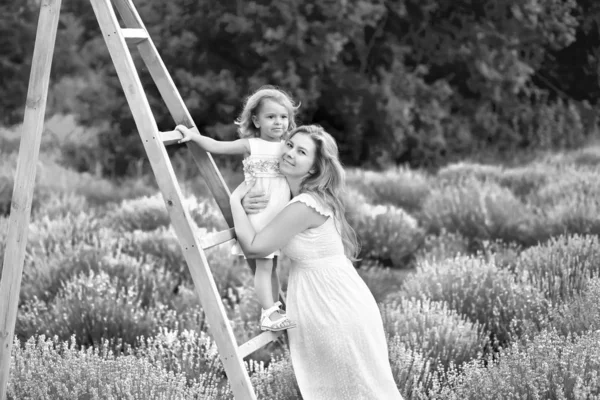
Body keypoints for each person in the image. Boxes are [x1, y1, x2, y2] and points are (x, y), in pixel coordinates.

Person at [231, 125, 403, 399]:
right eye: (289, 145)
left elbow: (254, 248)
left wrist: (234, 201)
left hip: (333, 308)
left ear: (313, 168)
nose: (289, 153)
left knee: (353, 391)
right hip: (334, 297)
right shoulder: (299, 198)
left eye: (301, 152)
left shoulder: (304, 205)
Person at [175, 85, 300, 332]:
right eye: (271, 117)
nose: (278, 122)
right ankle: (267, 313)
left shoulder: (288, 146)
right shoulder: (251, 145)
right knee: (264, 265)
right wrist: (193, 136)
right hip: (260, 214)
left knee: (272, 265)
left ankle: (274, 307)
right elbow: (216, 146)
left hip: (279, 215)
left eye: (283, 117)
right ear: (256, 120)